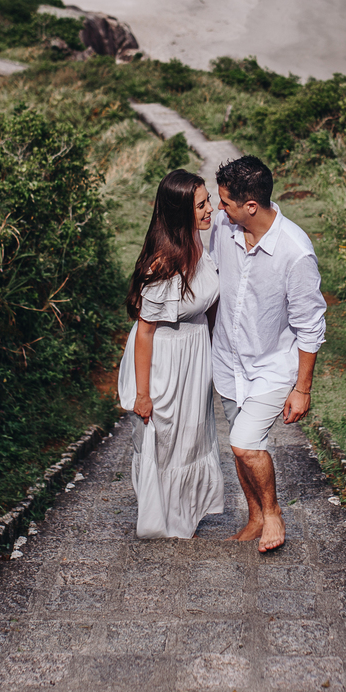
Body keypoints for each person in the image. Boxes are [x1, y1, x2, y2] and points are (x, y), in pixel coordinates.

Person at [210, 155, 326, 552]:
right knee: (240, 449)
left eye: (225, 202)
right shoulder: (225, 230)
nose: (219, 208)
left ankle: (273, 513)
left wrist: (302, 389)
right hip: (227, 361)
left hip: (272, 366)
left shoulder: (295, 252)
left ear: (251, 206)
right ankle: (255, 516)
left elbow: (311, 325)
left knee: (244, 444)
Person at [117, 170, 225, 538]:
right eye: (201, 205)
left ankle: (186, 515)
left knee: (191, 437)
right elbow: (145, 332)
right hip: (163, 359)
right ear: (180, 213)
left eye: (209, 201)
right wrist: (143, 394)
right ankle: (162, 518)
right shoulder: (162, 266)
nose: (211, 209)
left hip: (193, 355)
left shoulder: (200, 247)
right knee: (163, 438)